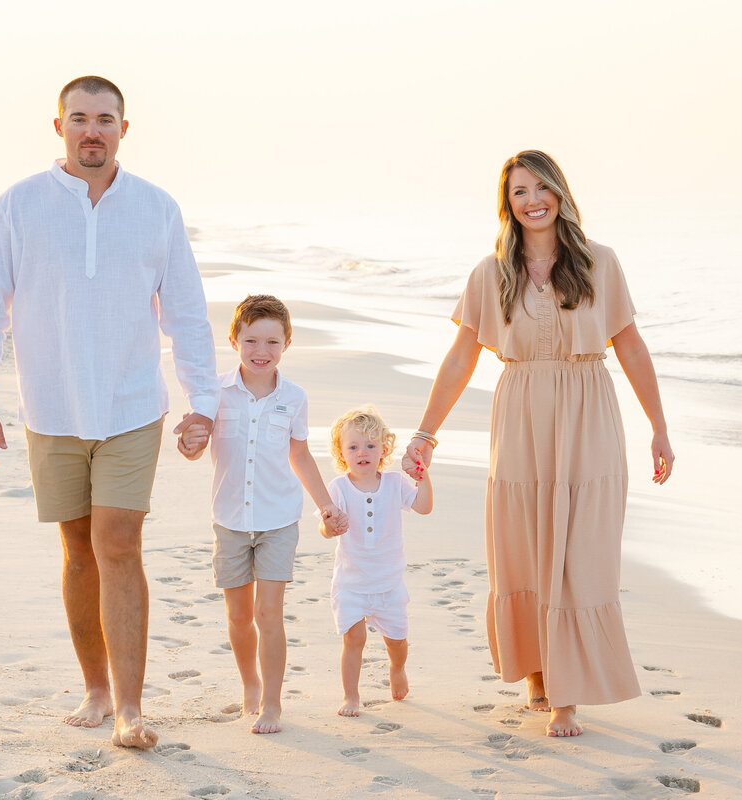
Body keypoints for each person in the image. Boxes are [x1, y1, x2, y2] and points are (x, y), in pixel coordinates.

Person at [0, 76, 219, 749]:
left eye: (105, 118)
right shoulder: (19, 206)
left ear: (125, 129)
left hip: (133, 405)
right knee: (78, 551)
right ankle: (96, 689)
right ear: (59, 129)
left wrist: (203, 403)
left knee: (118, 544)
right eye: (79, 119)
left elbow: (186, 312)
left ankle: (131, 709)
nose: (92, 130)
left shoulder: (156, 209)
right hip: (51, 407)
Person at [403, 150, 674, 738]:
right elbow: (460, 358)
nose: (532, 200)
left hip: (588, 411)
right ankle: (536, 671)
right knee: (524, 541)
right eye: (519, 191)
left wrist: (659, 427)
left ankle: (566, 696)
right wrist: (426, 431)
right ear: (508, 204)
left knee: (580, 548)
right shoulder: (490, 272)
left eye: (540, 187)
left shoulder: (600, 263)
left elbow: (630, 346)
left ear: (560, 193)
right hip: (521, 411)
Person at [179, 295, 348, 734]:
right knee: (238, 615)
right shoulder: (214, 393)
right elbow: (195, 449)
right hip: (229, 519)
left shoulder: (294, 398)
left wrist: (326, 505)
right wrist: (190, 444)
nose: (261, 350)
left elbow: (300, 455)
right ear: (233, 339)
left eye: (272, 341)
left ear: (287, 343)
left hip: (278, 520)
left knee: (269, 613)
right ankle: (249, 683)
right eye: (251, 339)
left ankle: (272, 704)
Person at [320, 407, 432, 717]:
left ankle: (397, 670)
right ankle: (351, 696)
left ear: (384, 449)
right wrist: (330, 525)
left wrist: (423, 475)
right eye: (353, 447)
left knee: (397, 641)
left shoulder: (395, 483)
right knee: (353, 639)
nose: (362, 452)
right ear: (341, 453)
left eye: (370, 445)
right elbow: (324, 526)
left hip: (389, 584)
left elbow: (423, 507)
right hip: (351, 585)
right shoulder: (338, 487)